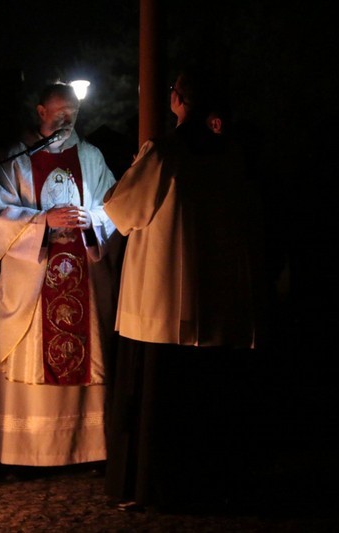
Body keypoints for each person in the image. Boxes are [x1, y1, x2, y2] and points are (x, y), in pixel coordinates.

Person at [102, 68, 263, 512]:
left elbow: (122, 210)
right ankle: (208, 484)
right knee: (205, 396)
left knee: (159, 397)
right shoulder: (230, 153)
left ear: (178, 100)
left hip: (162, 297)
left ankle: (154, 487)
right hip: (215, 296)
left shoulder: (164, 152)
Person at [0, 82, 120, 470]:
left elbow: (115, 206)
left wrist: (93, 220)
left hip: (81, 275)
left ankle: (87, 450)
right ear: (41, 112)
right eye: (60, 113)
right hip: (33, 282)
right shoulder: (16, 159)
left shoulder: (90, 157)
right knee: (30, 356)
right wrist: (42, 222)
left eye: (73, 113)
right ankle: (23, 454)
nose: (68, 120)